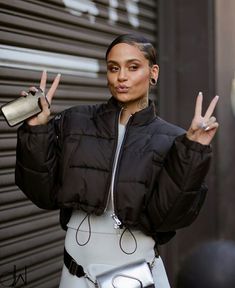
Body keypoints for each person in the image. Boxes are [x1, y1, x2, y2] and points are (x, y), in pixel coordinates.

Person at [15, 34, 219, 288]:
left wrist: (193, 150)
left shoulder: (175, 139)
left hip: (136, 277)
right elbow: (41, 193)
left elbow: (168, 217)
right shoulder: (74, 122)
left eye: (133, 67)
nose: (121, 76)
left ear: (153, 73)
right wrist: (36, 130)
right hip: (74, 276)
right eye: (114, 68)